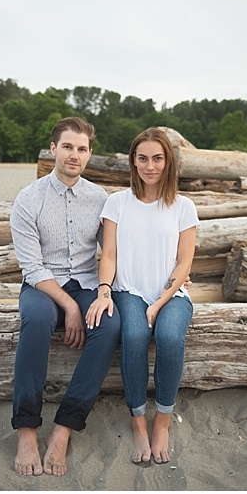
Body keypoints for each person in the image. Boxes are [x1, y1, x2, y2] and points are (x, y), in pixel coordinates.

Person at [10, 117, 119, 477]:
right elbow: (32, 266)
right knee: (38, 320)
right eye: (68, 147)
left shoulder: (100, 198)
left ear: (90, 154)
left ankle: (64, 428)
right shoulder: (29, 199)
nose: (75, 155)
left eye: (82, 149)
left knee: (109, 323)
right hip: (43, 286)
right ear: (53, 149)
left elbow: (114, 251)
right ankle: (27, 429)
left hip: (88, 283)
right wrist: (69, 306)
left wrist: (175, 273)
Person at [87, 127, 199, 465]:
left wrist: (160, 303)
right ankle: (138, 421)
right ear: (133, 162)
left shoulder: (183, 206)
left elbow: (184, 262)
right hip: (128, 290)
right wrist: (104, 290)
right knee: (134, 334)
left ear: (168, 162)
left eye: (157, 158)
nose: (150, 166)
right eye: (143, 158)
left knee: (167, 336)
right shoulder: (117, 203)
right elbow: (108, 255)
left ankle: (162, 421)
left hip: (172, 293)